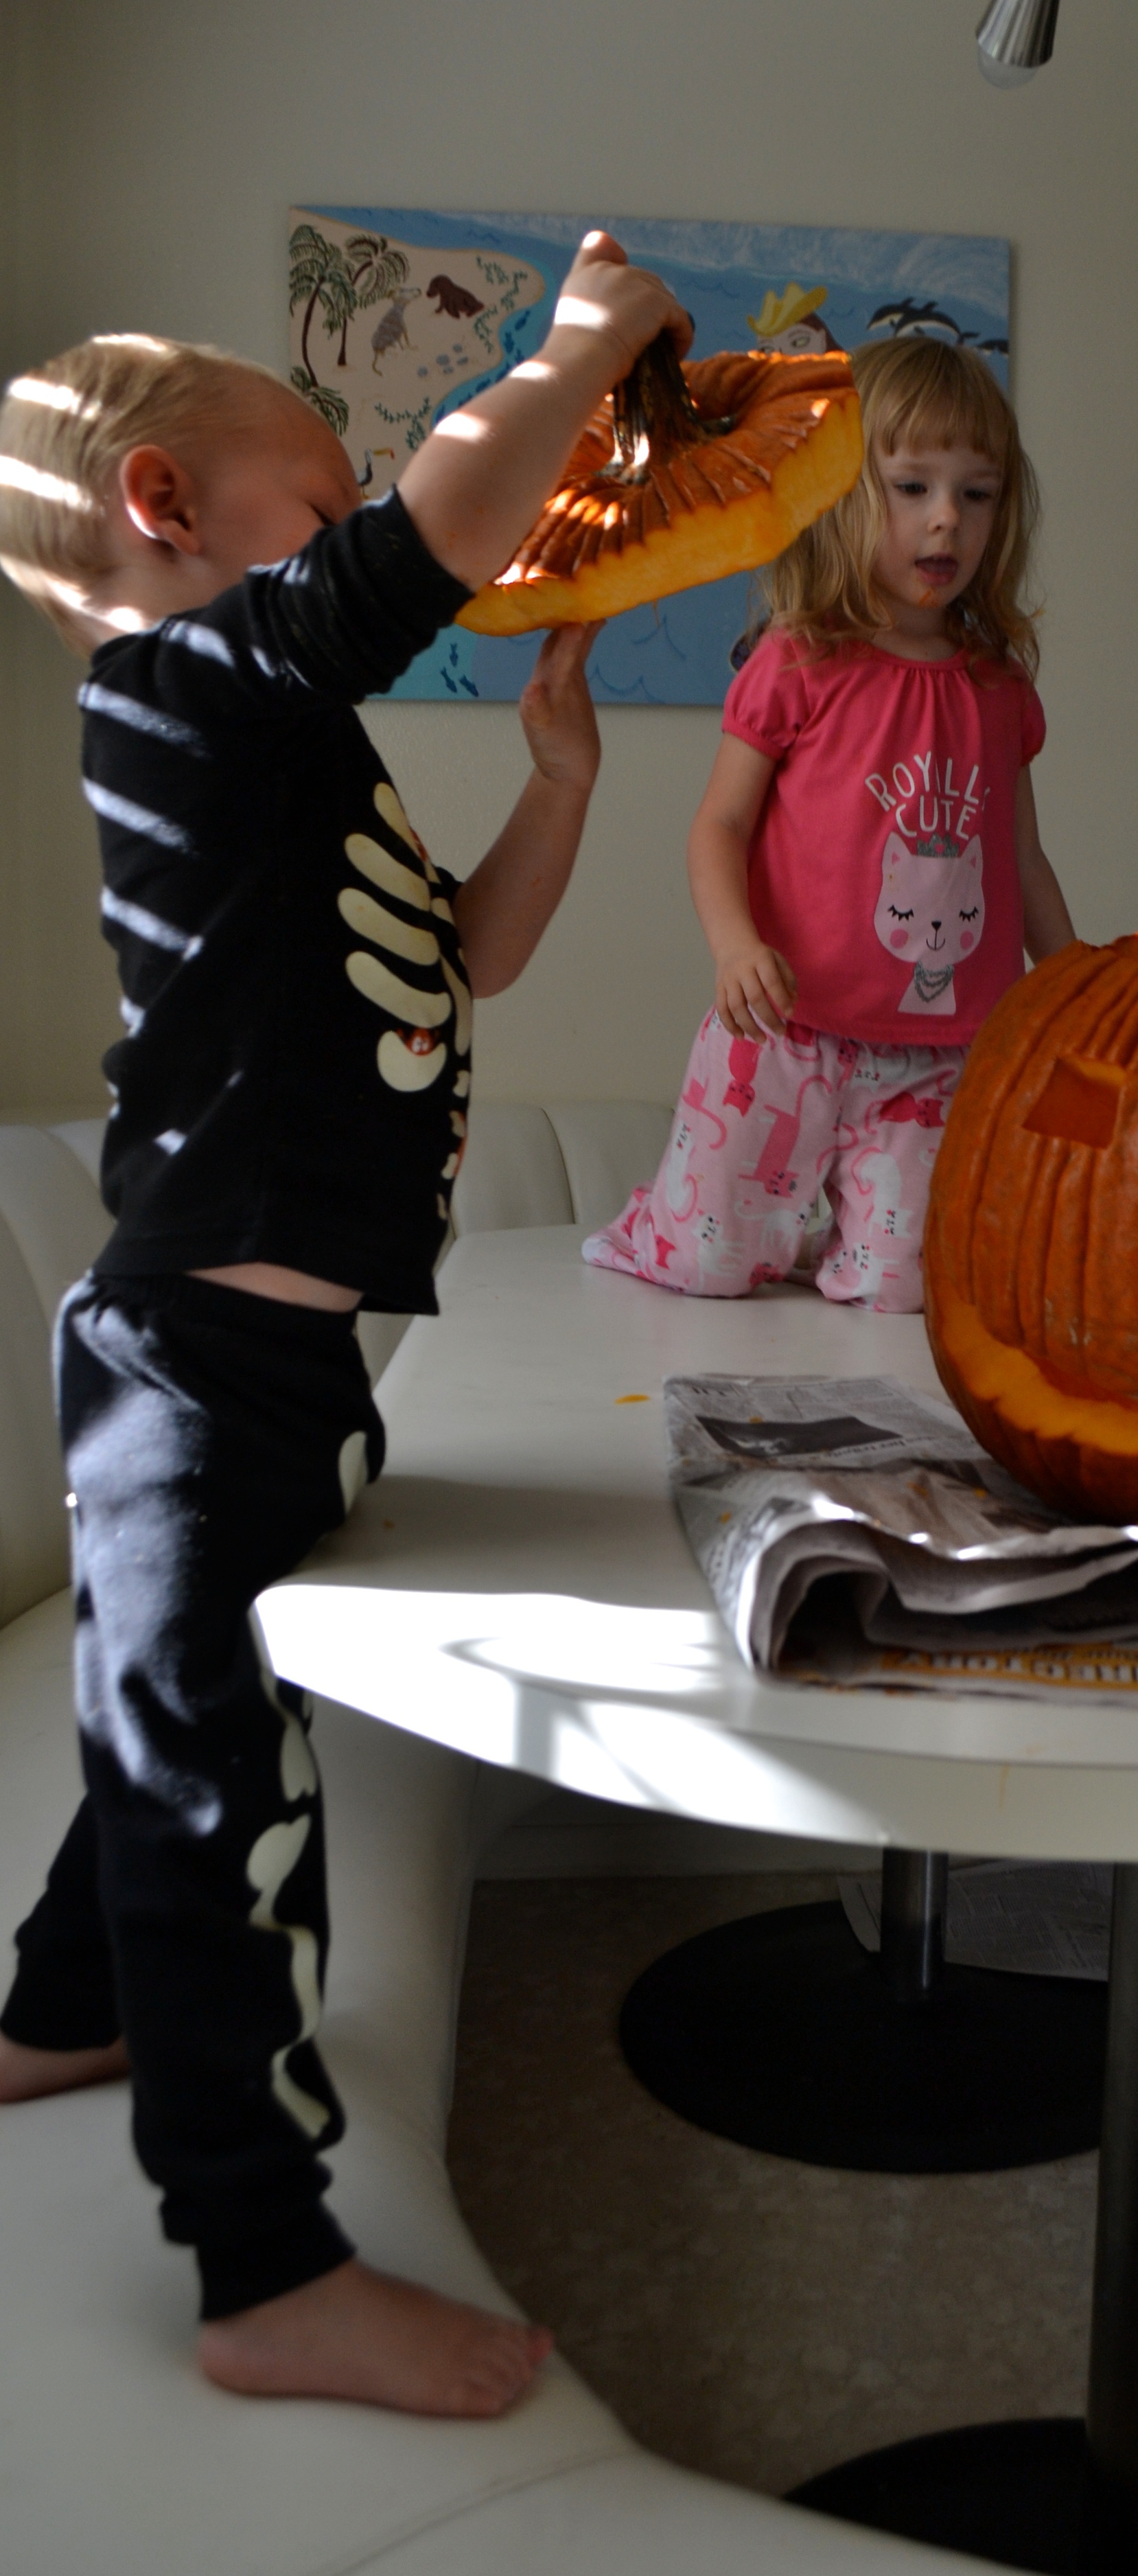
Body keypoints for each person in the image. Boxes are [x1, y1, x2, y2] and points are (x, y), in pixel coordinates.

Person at [0, 233, 689, 2416]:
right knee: (215, 1790)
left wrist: (558, 785)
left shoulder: (286, 754)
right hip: (188, 1364)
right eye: (318, 499)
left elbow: (464, 960)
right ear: (164, 509)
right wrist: (574, 357)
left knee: (171, 1717)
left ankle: (56, 2013)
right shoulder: (175, 694)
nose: (358, 535)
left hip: (281, 1368)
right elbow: (427, 546)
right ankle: (264, 2264)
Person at [583, 336, 1076, 1315]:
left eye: (977, 494)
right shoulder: (800, 658)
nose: (947, 517)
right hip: (782, 1031)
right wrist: (735, 949)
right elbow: (720, 826)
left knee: (904, 1290)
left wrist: (1075, 985)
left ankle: (832, 1234)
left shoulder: (998, 688)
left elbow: (1020, 859)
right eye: (912, 487)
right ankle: (656, 1223)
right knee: (710, 1268)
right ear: (846, 491)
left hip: (937, 1054)